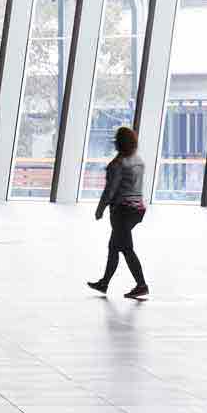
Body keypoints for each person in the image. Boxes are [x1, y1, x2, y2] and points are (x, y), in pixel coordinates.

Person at [90, 125, 150, 299]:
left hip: (122, 211)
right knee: (114, 247)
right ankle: (104, 283)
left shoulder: (118, 164)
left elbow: (110, 190)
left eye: (117, 140)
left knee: (126, 248)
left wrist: (100, 208)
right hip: (137, 209)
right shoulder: (138, 160)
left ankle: (141, 285)